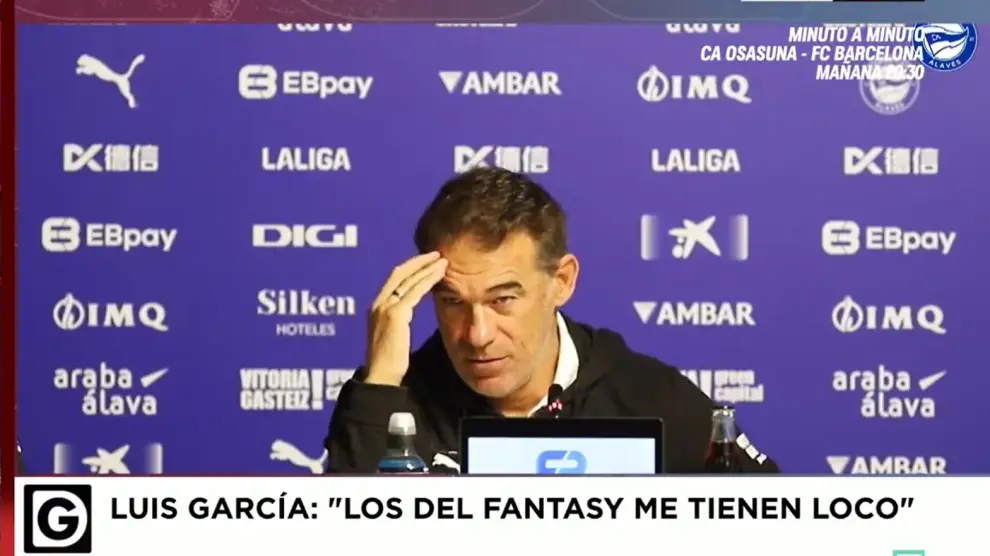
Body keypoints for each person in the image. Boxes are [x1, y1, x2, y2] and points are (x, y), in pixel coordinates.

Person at [324, 167, 779, 474]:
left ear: (561, 282)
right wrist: (380, 382)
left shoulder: (649, 397)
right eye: (452, 302)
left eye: (503, 300)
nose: (477, 336)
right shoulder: (386, 402)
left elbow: (777, 527)